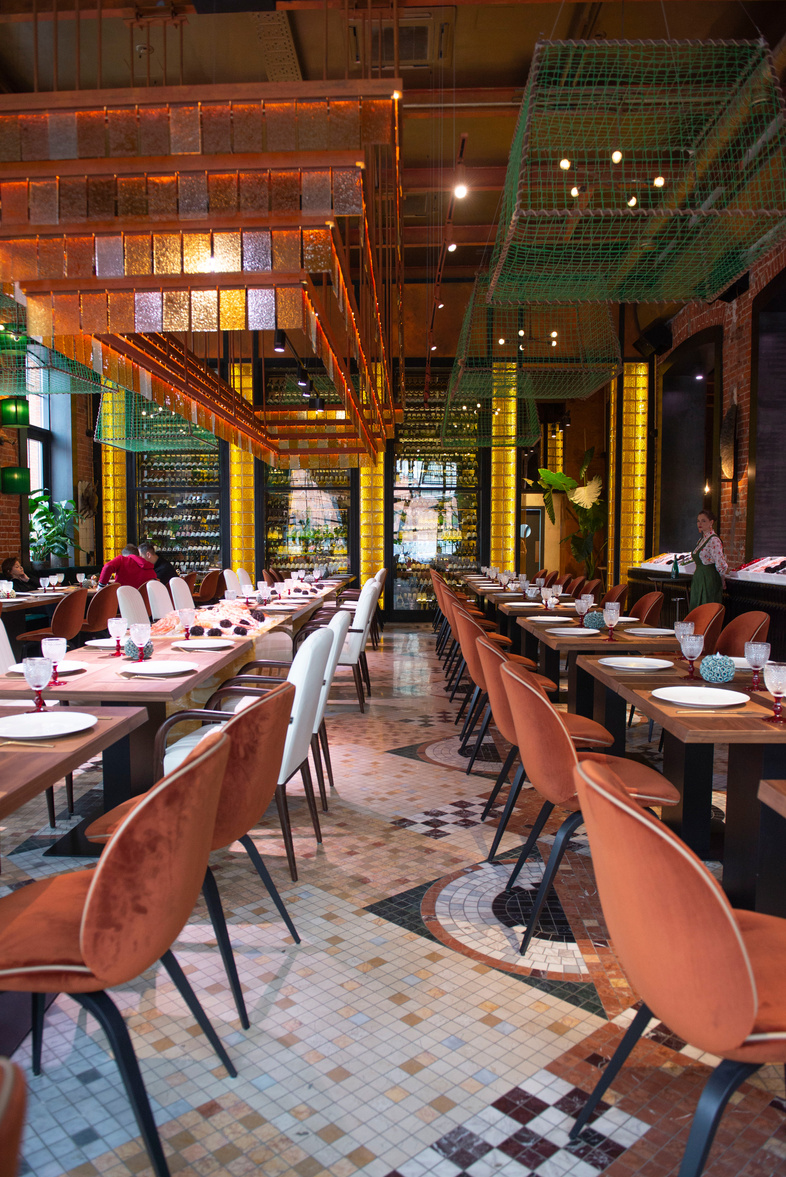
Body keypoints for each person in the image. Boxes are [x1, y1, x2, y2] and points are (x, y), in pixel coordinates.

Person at [687, 508, 728, 607]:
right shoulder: (701, 540)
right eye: (698, 521)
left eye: (703, 521)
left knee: (707, 606)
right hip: (699, 577)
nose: (700, 523)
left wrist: (722, 578)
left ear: (711, 522)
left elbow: (720, 563)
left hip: (709, 578)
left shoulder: (714, 540)